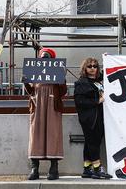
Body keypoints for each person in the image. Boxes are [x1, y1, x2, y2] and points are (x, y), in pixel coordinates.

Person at [23, 47, 67, 180]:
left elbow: (63, 92)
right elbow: (31, 91)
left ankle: (54, 168)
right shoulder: (35, 72)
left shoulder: (57, 73)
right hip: (37, 106)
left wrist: (61, 79)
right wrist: (25, 82)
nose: (44, 60)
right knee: (36, 134)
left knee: (53, 134)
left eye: (47, 58)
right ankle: (34, 168)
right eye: (42, 57)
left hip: (53, 105)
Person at [74, 57, 112, 179]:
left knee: (91, 142)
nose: (92, 69)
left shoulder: (100, 81)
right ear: (85, 68)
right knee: (93, 142)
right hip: (89, 118)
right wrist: (97, 100)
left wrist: (109, 59)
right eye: (89, 66)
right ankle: (97, 168)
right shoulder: (81, 83)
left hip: (100, 116)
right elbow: (79, 101)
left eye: (95, 66)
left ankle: (87, 168)